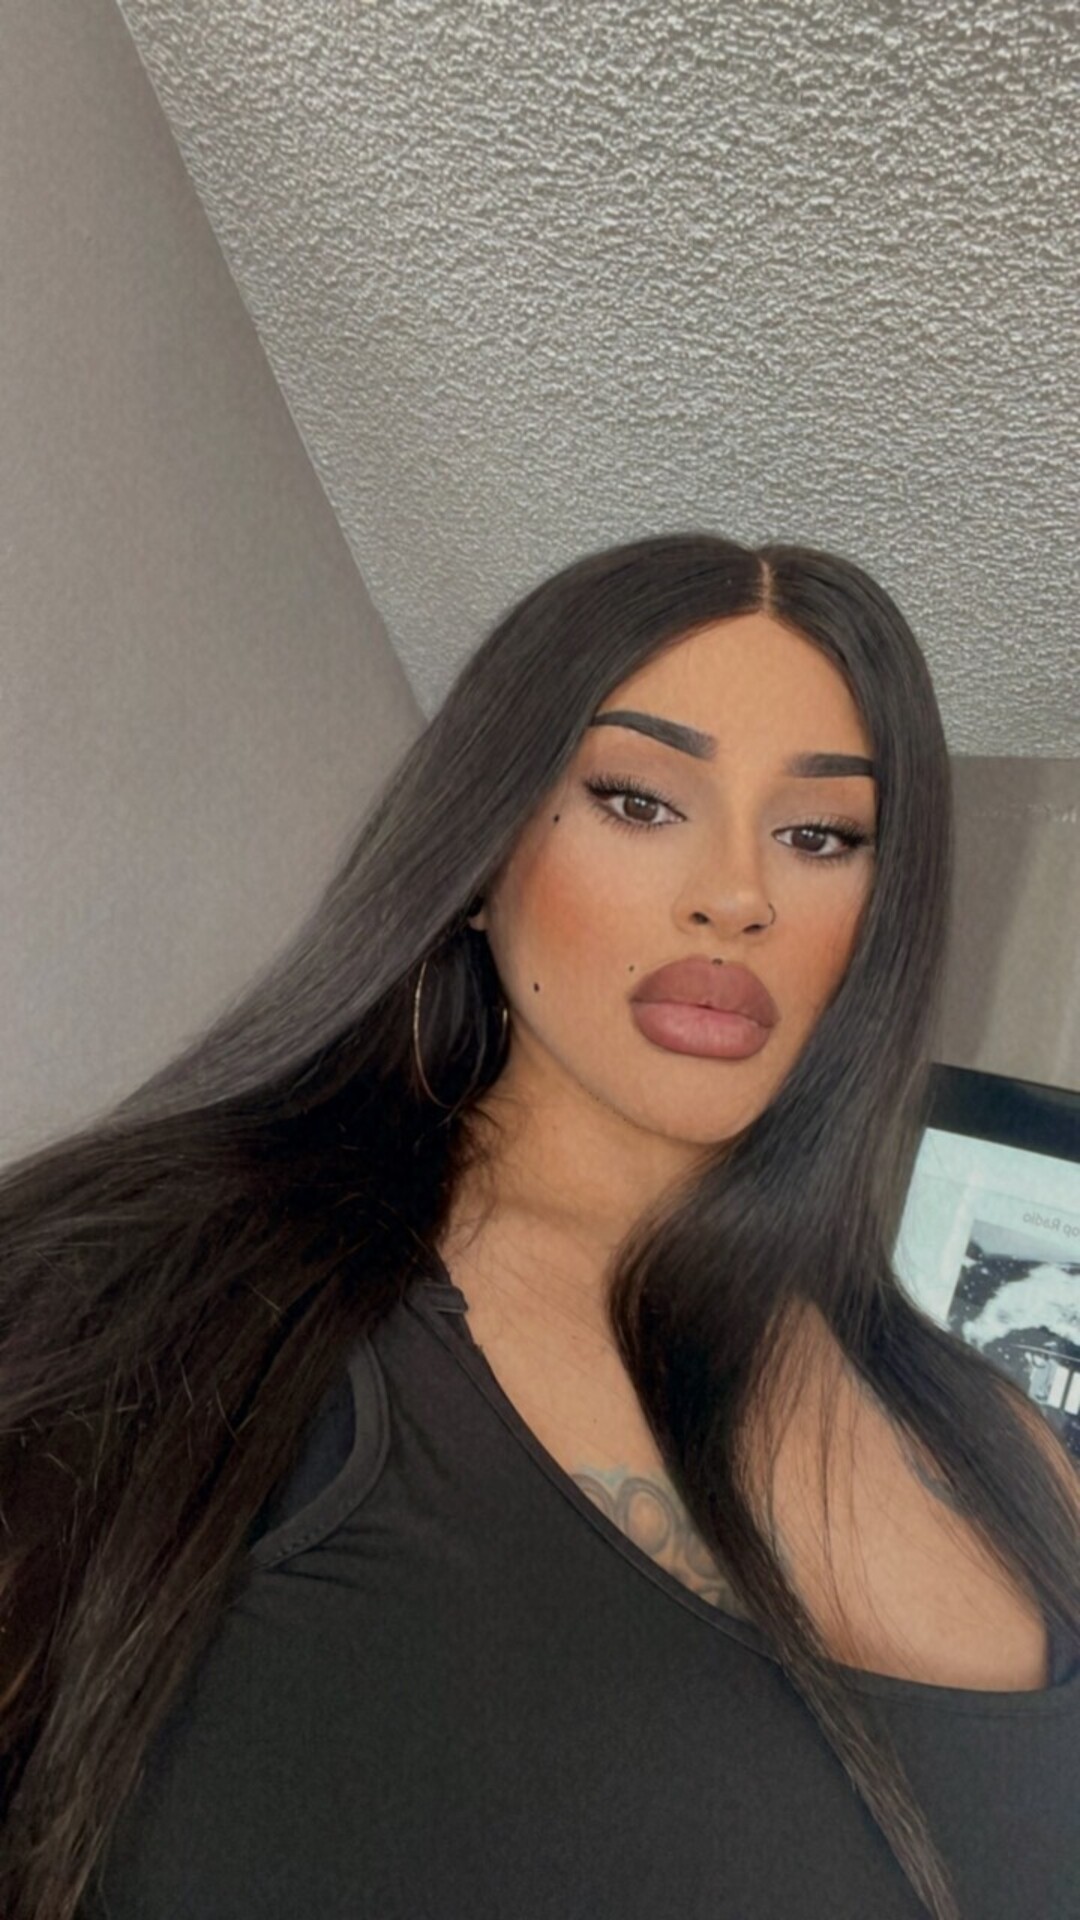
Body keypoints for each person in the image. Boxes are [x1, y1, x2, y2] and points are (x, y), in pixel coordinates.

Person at [0, 534, 1076, 1920]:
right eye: (637, 799)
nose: (737, 895)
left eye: (819, 836)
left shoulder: (1015, 1453)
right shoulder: (163, 1292)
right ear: (480, 846)